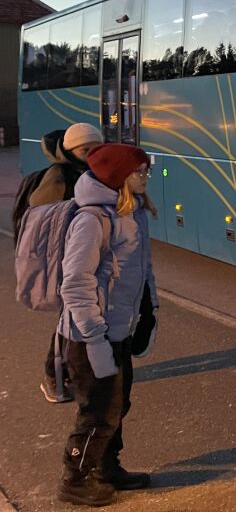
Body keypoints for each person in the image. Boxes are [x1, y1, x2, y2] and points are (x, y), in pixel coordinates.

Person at [58, 144, 159, 507]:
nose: (146, 176)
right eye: (140, 172)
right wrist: (94, 337)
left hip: (119, 330)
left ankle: (106, 466)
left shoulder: (132, 213)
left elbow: (141, 272)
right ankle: (76, 479)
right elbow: (75, 283)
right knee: (98, 410)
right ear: (119, 178)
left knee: (118, 404)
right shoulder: (92, 220)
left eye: (147, 170)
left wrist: (149, 314)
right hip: (91, 336)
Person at [24, 123, 105, 404]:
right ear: (71, 150)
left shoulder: (94, 171)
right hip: (68, 261)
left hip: (92, 256)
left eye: (97, 148)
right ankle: (54, 374)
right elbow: (40, 220)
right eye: (86, 149)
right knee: (69, 320)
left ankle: (75, 370)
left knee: (79, 318)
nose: (92, 153)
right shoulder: (58, 176)